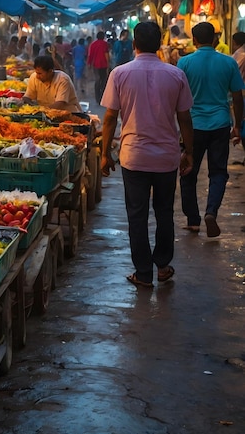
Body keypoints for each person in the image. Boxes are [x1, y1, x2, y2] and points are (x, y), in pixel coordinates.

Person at [100, 21, 194, 288]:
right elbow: (185, 119)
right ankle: (162, 265)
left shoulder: (120, 73)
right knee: (164, 212)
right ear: (160, 42)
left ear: (133, 44)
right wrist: (189, 152)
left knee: (137, 216)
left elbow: (109, 119)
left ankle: (143, 273)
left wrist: (105, 153)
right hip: (166, 157)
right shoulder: (175, 75)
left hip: (134, 157)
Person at [177, 21, 244, 237]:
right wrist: (237, 125)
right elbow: (237, 96)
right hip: (220, 124)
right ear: (215, 39)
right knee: (218, 172)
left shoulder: (184, 63)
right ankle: (211, 212)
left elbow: (177, 99)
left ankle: (193, 220)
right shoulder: (228, 63)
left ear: (194, 40)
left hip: (192, 126)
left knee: (188, 172)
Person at [87, 31, 110, 102]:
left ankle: (97, 98)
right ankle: (103, 96)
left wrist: (89, 64)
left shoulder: (93, 44)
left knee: (97, 80)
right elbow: (106, 54)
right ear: (103, 37)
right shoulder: (105, 44)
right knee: (103, 80)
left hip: (96, 65)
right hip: (104, 65)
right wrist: (108, 64)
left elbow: (90, 55)